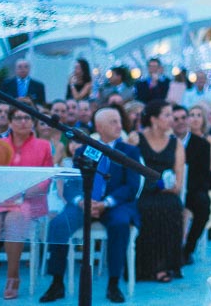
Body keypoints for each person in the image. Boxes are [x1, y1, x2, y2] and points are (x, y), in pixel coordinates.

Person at [40, 107, 141, 304]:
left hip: (114, 205)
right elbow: (71, 185)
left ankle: (113, 283)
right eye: (113, 122)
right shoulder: (85, 150)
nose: (119, 125)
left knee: (120, 224)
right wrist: (81, 201)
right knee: (59, 224)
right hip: (84, 203)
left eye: (119, 120)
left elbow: (131, 186)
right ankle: (57, 282)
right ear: (99, 127)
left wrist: (106, 203)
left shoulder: (129, 151)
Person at [0, 108, 52, 299]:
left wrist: (22, 192)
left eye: (27, 117)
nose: (23, 121)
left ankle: (13, 277)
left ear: (33, 122)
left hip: (28, 200)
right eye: (18, 118)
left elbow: (46, 179)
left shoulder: (44, 146)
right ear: (10, 122)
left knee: (15, 220)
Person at [135, 100, 185, 282]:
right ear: (154, 119)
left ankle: (164, 266)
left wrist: (173, 186)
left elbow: (179, 178)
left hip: (167, 192)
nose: (171, 119)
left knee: (171, 207)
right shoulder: (137, 139)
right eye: (167, 115)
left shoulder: (175, 143)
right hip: (142, 192)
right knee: (147, 209)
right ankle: (145, 266)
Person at [171, 104, 211, 264]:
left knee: (203, 205)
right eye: (176, 119)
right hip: (170, 189)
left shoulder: (202, 144)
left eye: (184, 118)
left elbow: (205, 176)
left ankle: (188, 249)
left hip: (192, 190)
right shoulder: (166, 141)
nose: (181, 122)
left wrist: (187, 190)